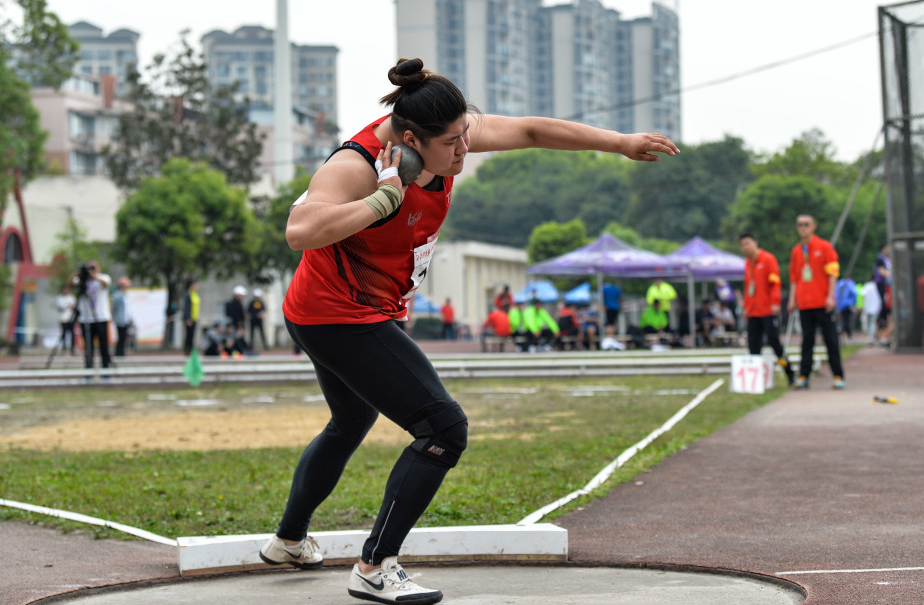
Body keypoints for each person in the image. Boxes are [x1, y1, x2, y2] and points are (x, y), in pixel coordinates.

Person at [261, 56, 678, 603]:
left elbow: (530, 130)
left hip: (350, 310)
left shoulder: (444, 134)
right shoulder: (358, 165)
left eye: (466, 136)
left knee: (349, 421)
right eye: (452, 144)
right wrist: (382, 199)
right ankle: (374, 566)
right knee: (442, 429)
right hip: (337, 315)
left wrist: (619, 142)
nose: (464, 151)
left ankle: (289, 541)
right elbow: (300, 230)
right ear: (410, 141)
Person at [788, 215, 846, 389]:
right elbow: (794, 278)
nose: (803, 227)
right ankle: (804, 376)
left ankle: (838, 376)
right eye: (799, 225)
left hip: (822, 303)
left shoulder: (824, 247)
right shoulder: (797, 251)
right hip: (804, 303)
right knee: (807, 341)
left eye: (806, 224)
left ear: (814, 226)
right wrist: (792, 300)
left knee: (831, 340)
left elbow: (833, 273)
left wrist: (830, 296)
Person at [739, 232, 795, 385]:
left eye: (748, 243)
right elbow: (747, 288)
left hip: (768, 311)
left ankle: (789, 372)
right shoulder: (747, 264)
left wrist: (775, 302)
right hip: (753, 311)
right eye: (743, 245)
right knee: (753, 345)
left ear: (755, 243)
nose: (746, 247)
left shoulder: (768, 259)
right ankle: (755, 381)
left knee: (774, 343)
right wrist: (746, 307)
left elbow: (775, 283)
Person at [72, 261, 113, 370]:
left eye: (93, 268)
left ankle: (106, 369)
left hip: (101, 317)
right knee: (88, 347)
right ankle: (88, 369)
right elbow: (70, 284)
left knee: (103, 346)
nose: (90, 271)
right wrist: (79, 273)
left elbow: (106, 283)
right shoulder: (82, 281)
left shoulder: (103, 277)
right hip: (86, 318)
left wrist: (94, 276)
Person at [873, 243, 893, 346]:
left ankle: (885, 332)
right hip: (883, 285)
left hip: (889, 286)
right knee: (884, 306)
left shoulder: (888, 259)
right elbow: (882, 271)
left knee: (888, 308)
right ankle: (881, 331)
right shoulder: (880, 259)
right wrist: (891, 275)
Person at [111, 277, 133, 357]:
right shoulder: (117, 296)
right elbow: (114, 308)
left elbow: (128, 308)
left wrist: (130, 318)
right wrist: (114, 317)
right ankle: (119, 353)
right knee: (120, 336)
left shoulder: (126, 295)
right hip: (120, 319)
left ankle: (122, 352)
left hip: (126, 319)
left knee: (124, 337)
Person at [834, 275, 858, 342]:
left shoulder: (839, 283)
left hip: (840, 305)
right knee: (847, 321)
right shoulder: (850, 283)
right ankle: (847, 334)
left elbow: (835, 293)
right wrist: (854, 303)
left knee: (842, 320)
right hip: (848, 305)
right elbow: (854, 293)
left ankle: (840, 331)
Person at [56, 284, 77, 354]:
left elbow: (74, 306)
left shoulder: (71, 297)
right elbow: (61, 306)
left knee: (72, 334)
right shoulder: (60, 298)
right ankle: (63, 348)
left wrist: (69, 306)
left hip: (71, 318)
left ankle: (72, 349)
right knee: (64, 334)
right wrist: (68, 306)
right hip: (63, 319)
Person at [860, 279, 882, 345]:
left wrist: (863, 305)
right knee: (873, 322)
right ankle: (871, 337)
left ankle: (870, 337)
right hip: (875, 307)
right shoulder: (876, 286)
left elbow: (863, 295)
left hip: (868, 307)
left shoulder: (867, 286)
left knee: (870, 323)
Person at [182, 280, 201, 356]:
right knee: (188, 335)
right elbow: (187, 307)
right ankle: (187, 351)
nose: (196, 287)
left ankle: (191, 350)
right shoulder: (188, 294)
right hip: (190, 319)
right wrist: (188, 318)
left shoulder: (195, 294)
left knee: (192, 335)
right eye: (195, 285)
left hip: (195, 318)